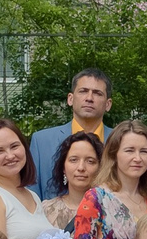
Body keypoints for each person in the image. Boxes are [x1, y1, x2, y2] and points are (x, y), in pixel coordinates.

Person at [30, 69, 110, 201]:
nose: (89, 98)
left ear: (108, 104)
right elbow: (31, 195)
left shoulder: (120, 142)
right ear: (70, 99)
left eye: (97, 93)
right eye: (83, 91)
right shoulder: (41, 142)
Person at [38, 131, 103, 239]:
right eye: (74, 160)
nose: (81, 167)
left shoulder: (110, 210)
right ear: (63, 167)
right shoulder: (46, 210)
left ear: (100, 168)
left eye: (90, 161)